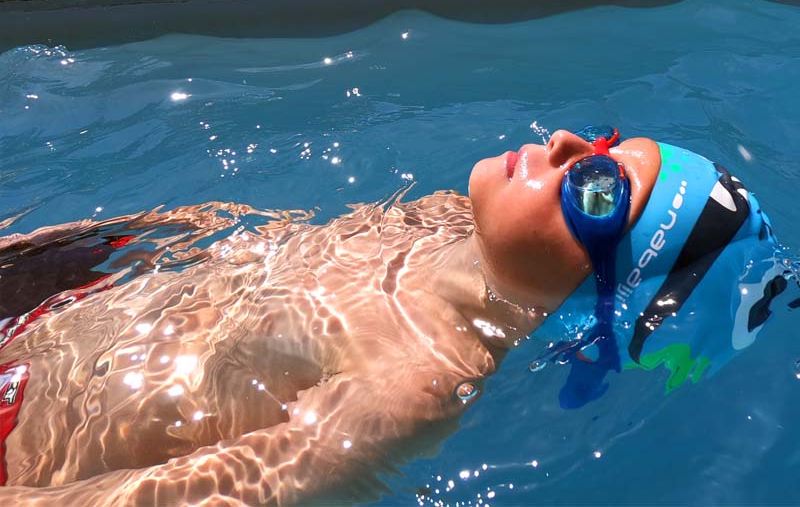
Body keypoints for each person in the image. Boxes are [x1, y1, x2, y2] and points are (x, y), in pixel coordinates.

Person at [0, 128, 791, 505]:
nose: (563, 143)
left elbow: (198, 494)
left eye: (597, 188)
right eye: (606, 143)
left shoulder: (413, 387)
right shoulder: (443, 216)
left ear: (600, 298)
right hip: (53, 323)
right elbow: (250, 247)